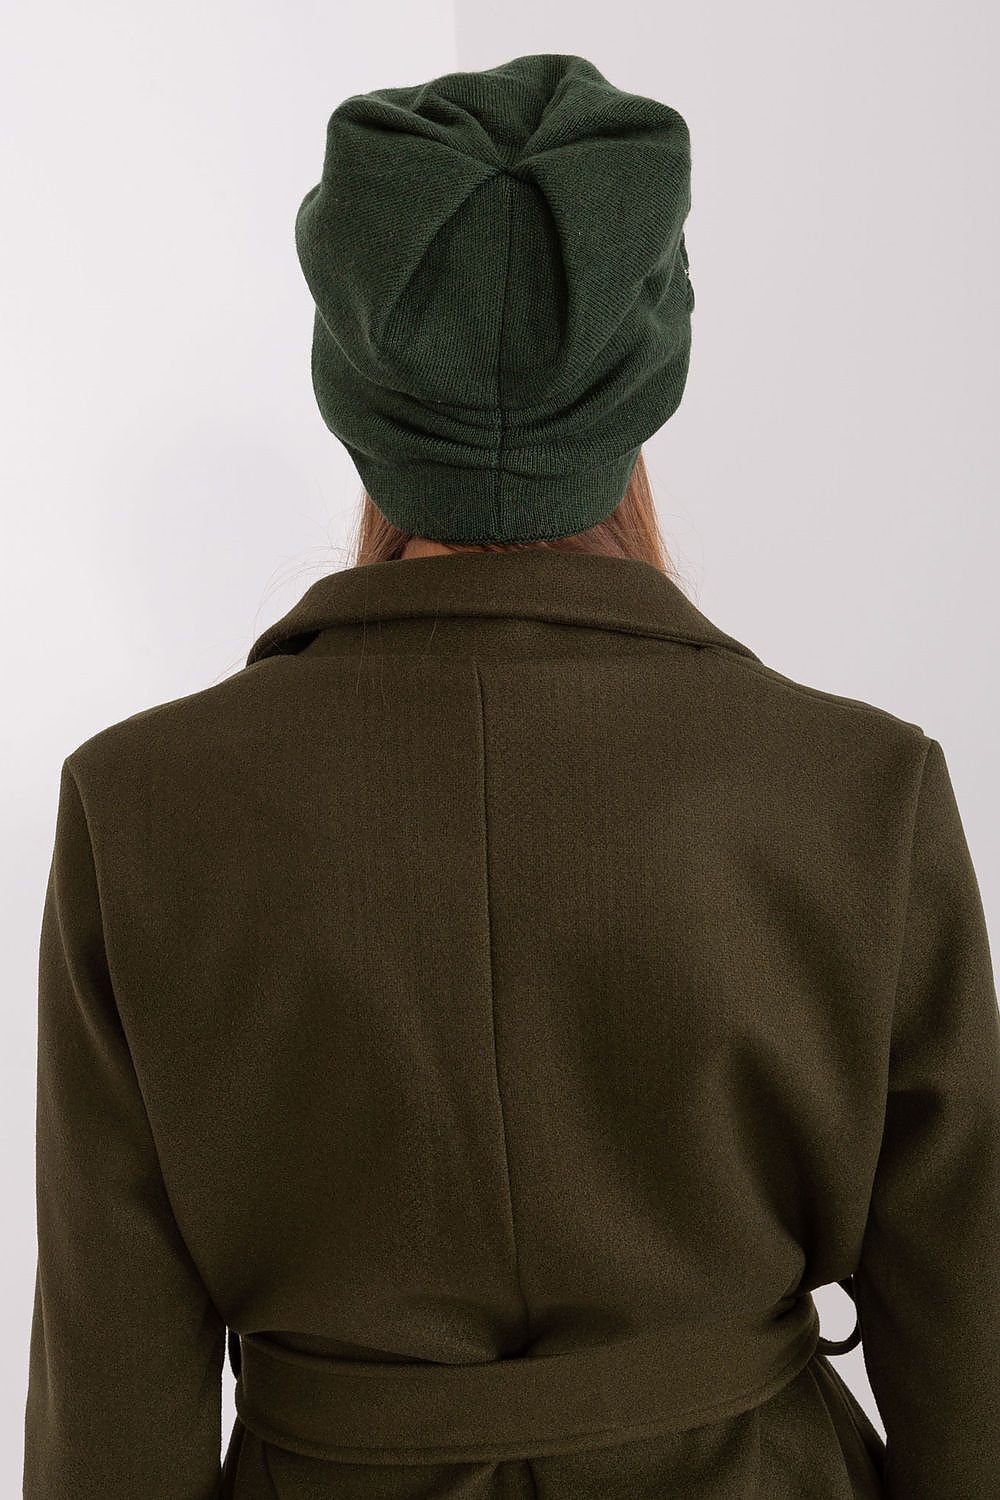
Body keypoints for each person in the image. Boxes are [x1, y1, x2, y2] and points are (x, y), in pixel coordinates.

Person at [21, 51, 1000, 1500]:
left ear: (356, 384)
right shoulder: (863, 792)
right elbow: (973, 1366)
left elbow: (113, 1406)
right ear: (645, 375)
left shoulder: (137, 809)